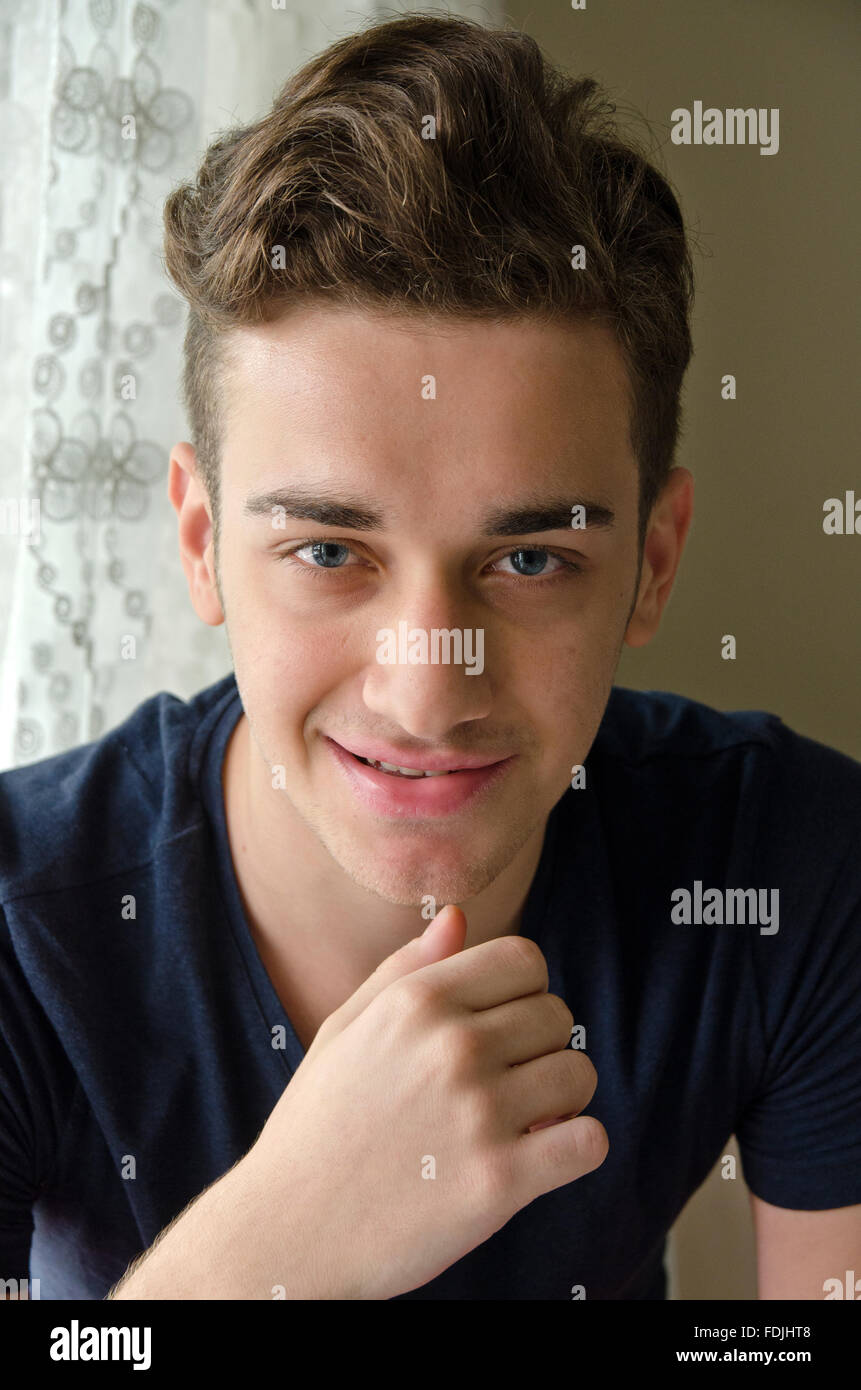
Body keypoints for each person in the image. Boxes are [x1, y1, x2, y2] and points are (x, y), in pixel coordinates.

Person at [1, 14, 859, 1302]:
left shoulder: (787, 865)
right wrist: (273, 1252)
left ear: (655, 561)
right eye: (331, 552)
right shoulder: (24, 924)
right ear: (200, 540)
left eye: (528, 561)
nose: (423, 689)